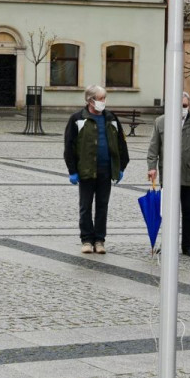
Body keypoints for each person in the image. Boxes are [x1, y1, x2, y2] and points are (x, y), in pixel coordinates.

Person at [64, 85, 129, 254]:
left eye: (104, 98)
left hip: (105, 170)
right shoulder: (77, 119)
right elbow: (69, 146)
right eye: (100, 99)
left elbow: (121, 144)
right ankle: (86, 240)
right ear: (90, 100)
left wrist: (121, 166)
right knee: (85, 206)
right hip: (86, 170)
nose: (103, 102)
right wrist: (72, 170)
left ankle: (99, 240)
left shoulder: (111, 118)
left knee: (102, 206)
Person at [147, 91, 190, 257]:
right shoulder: (161, 122)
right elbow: (153, 147)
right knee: (167, 212)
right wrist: (151, 166)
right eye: (179, 106)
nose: (182, 109)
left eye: (185, 106)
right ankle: (167, 244)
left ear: (189, 105)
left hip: (189, 172)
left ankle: (187, 245)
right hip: (168, 174)